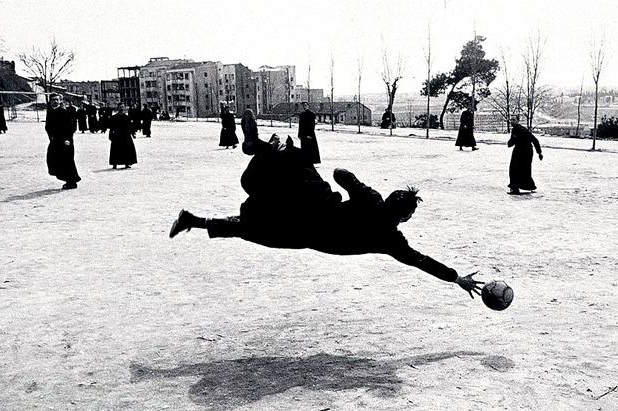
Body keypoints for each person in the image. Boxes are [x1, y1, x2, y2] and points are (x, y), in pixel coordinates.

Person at [169, 111, 484, 299]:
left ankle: (262, 152)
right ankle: (262, 154)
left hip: (315, 202)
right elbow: (421, 261)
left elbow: (340, 173)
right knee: (252, 227)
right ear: (406, 216)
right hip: (305, 235)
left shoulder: (372, 199)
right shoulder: (392, 240)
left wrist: (355, 185)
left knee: (297, 164)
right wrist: (456, 278)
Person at [45, 93, 81, 190]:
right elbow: (48, 127)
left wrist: (67, 139)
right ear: (50, 101)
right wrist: (51, 137)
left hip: (65, 141)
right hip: (55, 141)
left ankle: (72, 181)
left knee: (67, 161)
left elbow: (70, 127)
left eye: (57, 100)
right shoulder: (50, 111)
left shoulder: (64, 112)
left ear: (60, 101)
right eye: (53, 100)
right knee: (53, 160)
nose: (55, 101)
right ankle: (67, 179)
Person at [507, 121, 543, 194]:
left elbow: (510, 143)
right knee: (525, 169)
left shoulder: (515, 130)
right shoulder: (525, 130)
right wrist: (539, 152)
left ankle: (515, 188)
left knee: (514, 169)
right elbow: (535, 140)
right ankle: (529, 185)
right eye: (511, 120)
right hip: (528, 151)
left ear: (517, 121)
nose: (511, 122)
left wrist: (512, 139)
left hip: (519, 151)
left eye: (513, 120)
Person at [108, 103, 138, 169]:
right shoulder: (114, 117)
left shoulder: (127, 117)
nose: (122, 108)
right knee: (116, 150)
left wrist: (133, 133)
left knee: (127, 150)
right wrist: (110, 135)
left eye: (123, 107)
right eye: (120, 107)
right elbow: (111, 128)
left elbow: (130, 126)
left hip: (126, 136)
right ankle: (114, 163)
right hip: (117, 136)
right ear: (118, 108)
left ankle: (127, 163)